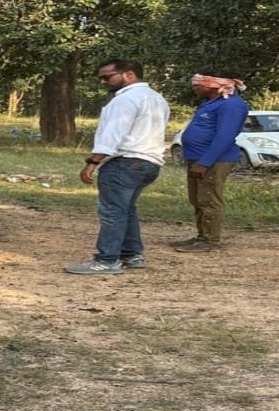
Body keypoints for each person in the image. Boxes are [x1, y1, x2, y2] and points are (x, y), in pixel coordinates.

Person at [64, 59, 171, 276]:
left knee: (112, 211)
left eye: (107, 77)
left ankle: (106, 260)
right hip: (149, 163)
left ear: (129, 74)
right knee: (126, 209)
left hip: (125, 162)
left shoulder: (126, 99)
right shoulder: (157, 99)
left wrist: (93, 162)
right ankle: (131, 255)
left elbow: (113, 134)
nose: (103, 82)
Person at [172, 73, 249, 253]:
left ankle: (211, 240)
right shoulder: (210, 103)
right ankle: (202, 236)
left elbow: (225, 136)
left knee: (210, 199)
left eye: (198, 84)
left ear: (214, 85)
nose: (195, 87)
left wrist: (205, 162)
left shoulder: (232, 105)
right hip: (197, 158)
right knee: (198, 199)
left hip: (214, 160)